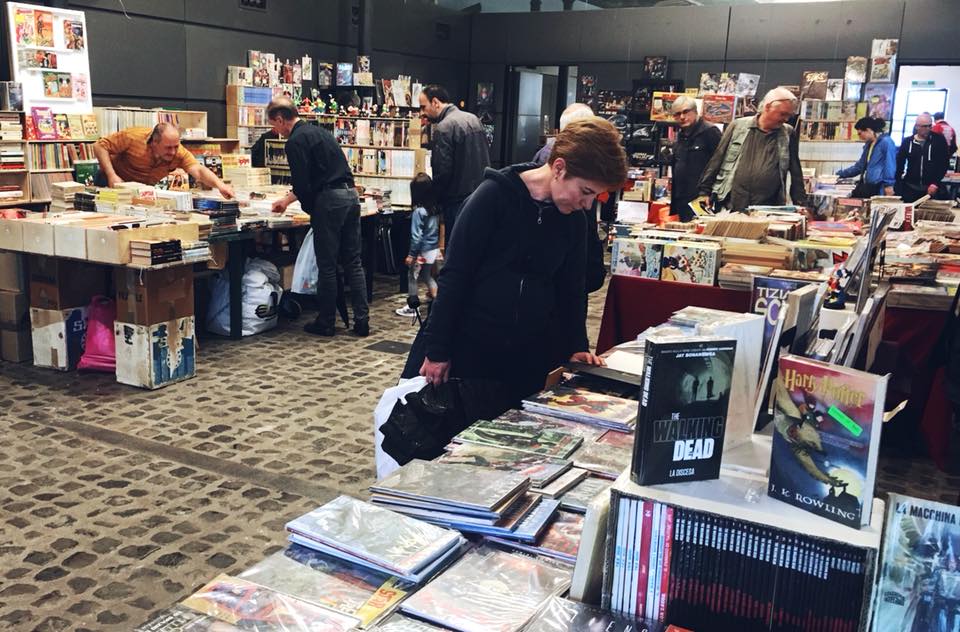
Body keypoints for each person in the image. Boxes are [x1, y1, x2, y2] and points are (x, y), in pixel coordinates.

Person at [409, 118, 628, 404]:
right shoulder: (492, 197)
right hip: (474, 351)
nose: (587, 204)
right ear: (559, 168)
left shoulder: (574, 219)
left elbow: (572, 289)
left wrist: (577, 345)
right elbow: (455, 276)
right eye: (586, 192)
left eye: (595, 196)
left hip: (532, 358)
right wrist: (438, 349)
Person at [267, 97, 369, 337]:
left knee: (327, 265)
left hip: (330, 201)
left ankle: (326, 321)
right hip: (350, 196)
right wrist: (289, 200)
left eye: (274, 125)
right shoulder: (320, 132)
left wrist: (312, 209)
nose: (275, 131)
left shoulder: (295, 141)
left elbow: (303, 185)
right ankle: (362, 321)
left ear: (280, 119)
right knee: (353, 262)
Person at [697, 86, 807, 211]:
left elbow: (796, 172)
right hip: (732, 203)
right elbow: (717, 159)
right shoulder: (738, 126)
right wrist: (704, 192)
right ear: (767, 107)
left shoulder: (788, 133)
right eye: (783, 114)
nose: (786, 119)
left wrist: (801, 204)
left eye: (789, 115)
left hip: (768, 207)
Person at [418, 84, 490, 234]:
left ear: (435, 102)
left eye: (423, 107)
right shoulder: (474, 119)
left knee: (456, 242)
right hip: (481, 195)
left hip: (456, 200)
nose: (422, 113)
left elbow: (442, 171)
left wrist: (435, 199)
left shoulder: (444, 127)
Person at [93, 123, 234, 198]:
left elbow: (198, 170)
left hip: (142, 190)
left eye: (176, 146)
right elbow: (99, 146)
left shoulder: (179, 153)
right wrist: (111, 175)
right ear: (155, 142)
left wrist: (220, 186)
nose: (173, 152)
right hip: (111, 182)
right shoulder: (133, 137)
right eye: (168, 148)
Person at [669, 95, 722, 221]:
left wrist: (708, 193)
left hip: (702, 198)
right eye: (677, 114)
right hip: (682, 198)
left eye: (686, 112)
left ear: (695, 111)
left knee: (702, 231)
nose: (682, 117)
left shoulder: (710, 132)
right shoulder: (681, 135)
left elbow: (720, 164)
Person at [396, 173, 441, 317]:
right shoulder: (434, 209)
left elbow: (416, 236)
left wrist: (411, 254)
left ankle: (413, 307)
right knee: (427, 276)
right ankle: (439, 303)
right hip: (433, 249)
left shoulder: (418, 212)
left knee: (412, 277)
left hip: (421, 251)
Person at [836, 116, 897, 198]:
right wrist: (839, 174)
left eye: (860, 133)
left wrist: (888, 185)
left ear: (868, 130)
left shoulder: (886, 142)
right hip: (869, 184)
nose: (859, 136)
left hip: (880, 186)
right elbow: (860, 166)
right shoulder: (869, 144)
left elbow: (890, 165)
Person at [896, 112, 950, 202]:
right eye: (925, 126)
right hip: (910, 188)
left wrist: (935, 183)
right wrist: (897, 184)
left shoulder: (939, 140)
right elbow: (899, 164)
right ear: (917, 126)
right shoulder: (907, 142)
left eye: (930, 126)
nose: (928, 129)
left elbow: (943, 164)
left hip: (931, 189)